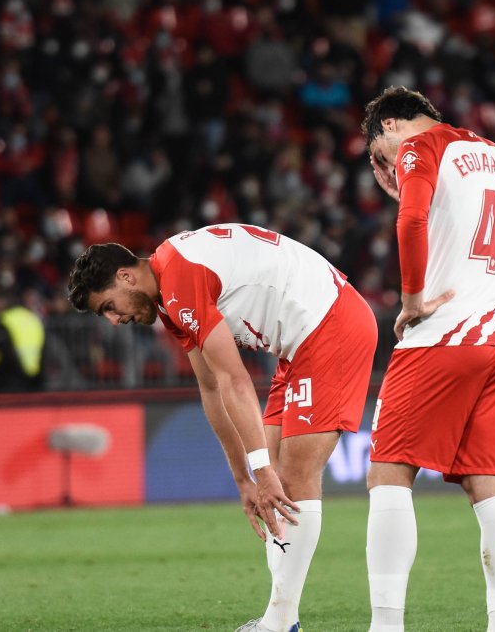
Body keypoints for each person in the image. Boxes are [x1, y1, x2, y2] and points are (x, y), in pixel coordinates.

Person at [66, 223, 377, 632]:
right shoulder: (168, 297)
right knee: (274, 484)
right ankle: (281, 618)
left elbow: (235, 380)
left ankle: (280, 621)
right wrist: (245, 478)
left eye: (108, 306)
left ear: (125, 276)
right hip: (298, 345)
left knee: (293, 477)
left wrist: (262, 471)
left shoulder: (180, 277)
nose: (112, 320)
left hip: (330, 326)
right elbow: (211, 388)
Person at [362, 86, 495, 632]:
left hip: (442, 336)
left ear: (391, 126)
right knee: (490, 484)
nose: (384, 167)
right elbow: (460, 226)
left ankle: (385, 627)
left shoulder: (420, 147)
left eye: (378, 155)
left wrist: (411, 300)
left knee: (388, 473)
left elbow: (411, 222)